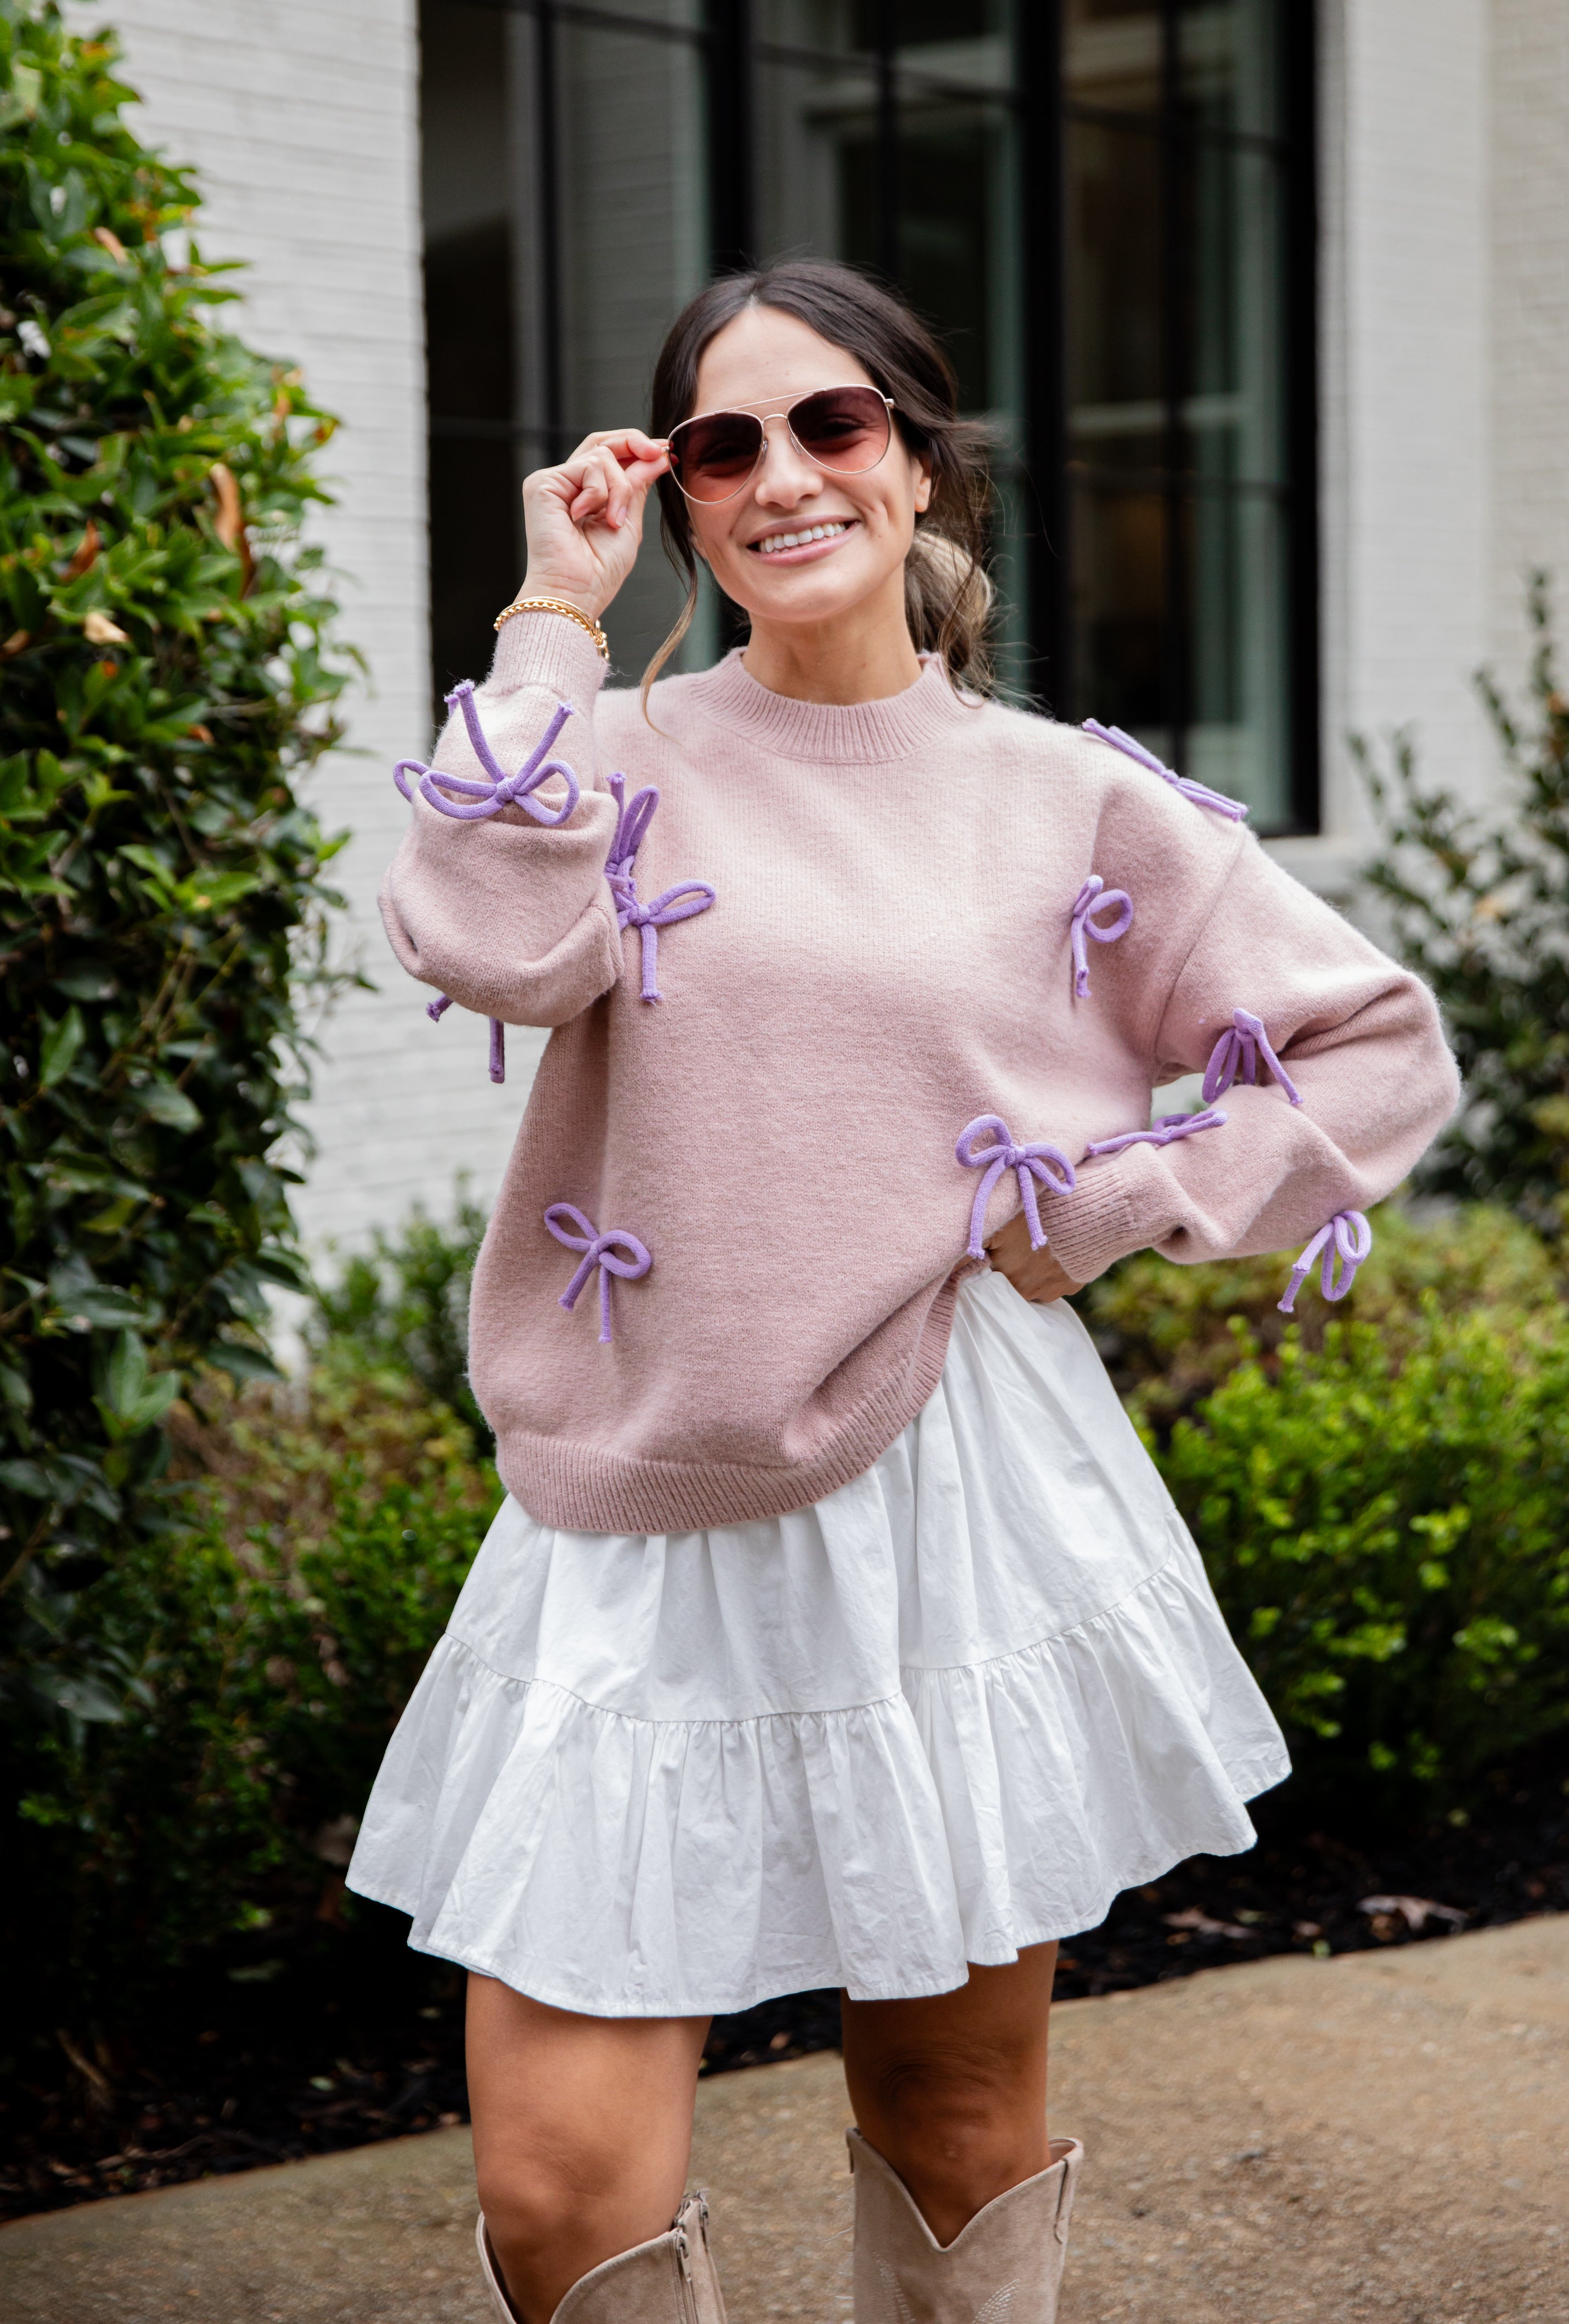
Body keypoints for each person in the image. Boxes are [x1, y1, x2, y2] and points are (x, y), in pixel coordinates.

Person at [347, 260, 1458, 2324]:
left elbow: (1377, 1044)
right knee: (555, 2183)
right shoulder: (600, 753)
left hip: (948, 1488)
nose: (782, 475)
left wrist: (1116, 1200)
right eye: (721, 444)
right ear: (677, 495)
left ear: (917, 465)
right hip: (636, 1501)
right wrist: (545, 613)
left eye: (832, 424)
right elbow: (480, 942)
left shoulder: (1068, 797)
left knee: (951, 2114)